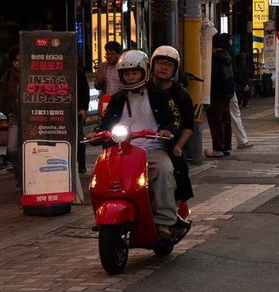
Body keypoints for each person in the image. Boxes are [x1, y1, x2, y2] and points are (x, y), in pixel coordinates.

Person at [98, 50, 183, 240]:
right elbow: (104, 123)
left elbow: (175, 119)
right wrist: (96, 132)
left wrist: (168, 130)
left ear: (144, 72)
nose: (130, 77)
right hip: (122, 150)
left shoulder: (159, 94)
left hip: (153, 147)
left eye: (134, 73)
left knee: (163, 170)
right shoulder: (117, 98)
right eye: (126, 73)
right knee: (103, 176)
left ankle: (164, 221)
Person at [149, 46, 196, 206]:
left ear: (175, 69)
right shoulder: (143, 89)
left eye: (169, 65)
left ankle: (174, 211)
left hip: (170, 144)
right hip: (142, 144)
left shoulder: (181, 94)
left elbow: (188, 126)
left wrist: (178, 146)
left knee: (178, 169)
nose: (163, 67)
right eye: (160, 63)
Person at [206, 33, 236, 157]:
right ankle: (226, 146)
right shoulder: (227, 56)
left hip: (216, 94)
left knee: (215, 119)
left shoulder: (214, 59)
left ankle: (218, 148)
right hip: (228, 93)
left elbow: (213, 78)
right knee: (225, 119)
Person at [0, 46, 22, 181]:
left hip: (30, 117)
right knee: (12, 149)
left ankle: (23, 177)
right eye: (15, 60)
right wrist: (8, 112)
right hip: (14, 117)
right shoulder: (7, 76)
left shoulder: (30, 75)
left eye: (20, 60)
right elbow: (2, 99)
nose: (18, 63)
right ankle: (19, 174)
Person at [230, 48, 253, 149]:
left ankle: (222, 146)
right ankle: (241, 140)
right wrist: (244, 84)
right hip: (229, 90)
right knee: (234, 115)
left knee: (221, 119)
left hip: (218, 92)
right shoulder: (229, 58)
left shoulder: (214, 58)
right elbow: (235, 73)